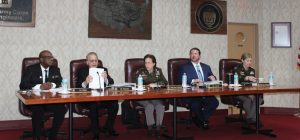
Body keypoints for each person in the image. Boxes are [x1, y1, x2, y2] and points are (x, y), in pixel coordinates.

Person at [19, 50, 67, 140]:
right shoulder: (31, 69)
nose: (51, 59)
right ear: (41, 59)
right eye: (49, 57)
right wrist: (39, 86)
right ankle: (36, 136)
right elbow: (23, 85)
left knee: (61, 109)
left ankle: (52, 134)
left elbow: (59, 81)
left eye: (52, 57)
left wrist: (52, 85)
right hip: (35, 100)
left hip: (50, 101)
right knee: (37, 110)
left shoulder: (55, 69)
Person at [76, 52, 119, 140]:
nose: (94, 63)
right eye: (92, 61)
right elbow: (77, 88)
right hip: (87, 99)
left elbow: (111, 82)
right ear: (87, 62)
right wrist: (85, 82)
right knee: (93, 105)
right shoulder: (82, 71)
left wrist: (106, 79)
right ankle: (96, 132)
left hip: (101, 97)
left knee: (114, 103)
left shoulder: (103, 69)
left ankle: (108, 128)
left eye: (96, 60)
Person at [179, 48, 219, 130]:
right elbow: (181, 80)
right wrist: (193, 81)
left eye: (195, 53)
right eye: (192, 53)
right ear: (190, 55)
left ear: (199, 55)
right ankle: (203, 121)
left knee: (214, 102)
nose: (193, 55)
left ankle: (199, 119)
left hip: (205, 93)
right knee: (196, 105)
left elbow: (212, 76)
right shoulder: (184, 67)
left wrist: (213, 78)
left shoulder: (206, 67)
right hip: (192, 95)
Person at [134, 54, 168, 137]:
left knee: (160, 106)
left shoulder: (158, 71)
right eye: (145, 63)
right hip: (142, 96)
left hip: (154, 96)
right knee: (149, 106)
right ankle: (150, 127)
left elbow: (165, 83)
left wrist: (155, 84)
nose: (147, 65)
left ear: (154, 64)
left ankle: (158, 128)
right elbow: (135, 84)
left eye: (149, 63)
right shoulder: (140, 71)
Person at [233, 52, 263, 128]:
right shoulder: (237, 69)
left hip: (250, 92)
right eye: (247, 60)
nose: (249, 62)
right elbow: (238, 79)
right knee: (248, 100)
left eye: (250, 61)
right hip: (239, 92)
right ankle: (255, 119)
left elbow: (252, 83)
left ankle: (249, 119)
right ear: (242, 60)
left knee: (258, 99)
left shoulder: (252, 70)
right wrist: (247, 78)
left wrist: (256, 81)